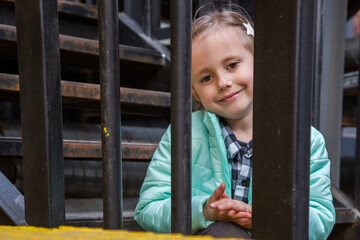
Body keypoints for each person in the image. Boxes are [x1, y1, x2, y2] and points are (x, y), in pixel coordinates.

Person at [134, 5, 335, 240]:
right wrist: (204, 211)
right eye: (206, 78)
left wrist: (266, 217)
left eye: (232, 65)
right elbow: (148, 208)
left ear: (262, 64)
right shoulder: (184, 133)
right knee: (225, 232)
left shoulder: (305, 139)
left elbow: (321, 216)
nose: (223, 82)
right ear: (196, 93)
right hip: (214, 234)